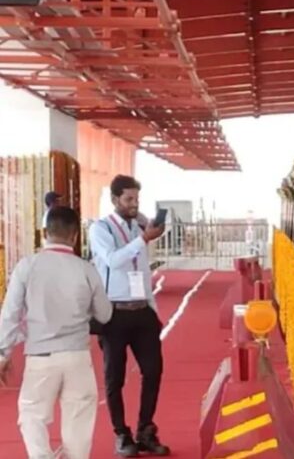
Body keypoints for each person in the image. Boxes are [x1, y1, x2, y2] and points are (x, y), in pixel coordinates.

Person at [0, 206, 113, 459]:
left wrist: (2, 354)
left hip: (40, 356)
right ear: (75, 236)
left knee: (31, 415)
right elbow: (105, 315)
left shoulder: (27, 266)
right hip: (77, 356)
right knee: (79, 422)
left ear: (44, 233)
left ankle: (42, 457)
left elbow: (10, 314)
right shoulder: (86, 269)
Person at [89, 175, 170, 457]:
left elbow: (143, 270)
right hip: (114, 314)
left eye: (137, 199)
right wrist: (142, 240)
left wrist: (153, 310)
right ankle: (121, 434)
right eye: (128, 199)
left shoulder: (140, 223)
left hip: (142, 311)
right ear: (114, 200)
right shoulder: (100, 229)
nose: (134, 204)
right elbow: (113, 260)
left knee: (153, 371)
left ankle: (145, 429)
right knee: (115, 378)